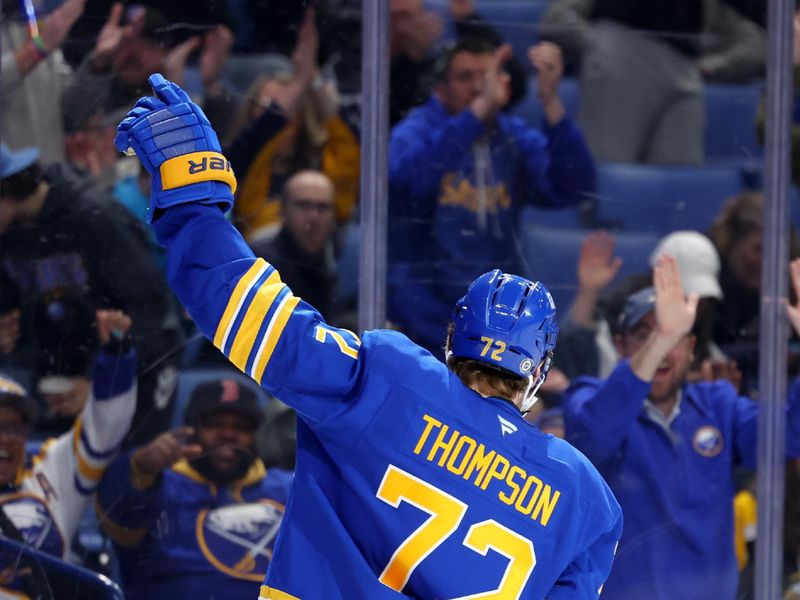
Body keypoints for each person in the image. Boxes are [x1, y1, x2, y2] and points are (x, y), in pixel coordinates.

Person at [114, 73, 621, 599]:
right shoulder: (588, 502)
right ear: (537, 374)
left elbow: (248, 314)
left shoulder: (391, 378)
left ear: (452, 341)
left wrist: (192, 204)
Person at [563, 255, 800, 600]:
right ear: (620, 345)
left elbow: (790, 436)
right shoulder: (588, 397)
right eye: (644, 333)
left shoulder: (718, 406)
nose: (660, 345)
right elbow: (595, 438)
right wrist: (663, 339)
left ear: (690, 349)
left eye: (672, 337)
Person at [388, 36, 595, 354]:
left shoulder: (511, 136)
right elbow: (402, 186)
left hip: (496, 322)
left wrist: (551, 101)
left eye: (486, 77)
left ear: (505, 85)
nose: (477, 87)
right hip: (423, 319)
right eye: (465, 77)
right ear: (440, 88)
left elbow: (572, 188)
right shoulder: (417, 130)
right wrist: (475, 115)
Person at [0, 142, 181, 446]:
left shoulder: (95, 217)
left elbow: (151, 315)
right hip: (62, 384)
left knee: (128, 479)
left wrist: (102, 382)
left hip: (138, 377)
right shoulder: (9, 234)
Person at [97, 376, 292, 600]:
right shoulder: (158, 487)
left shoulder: (289, 490)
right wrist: (139, 467)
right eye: (214, 424)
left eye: (241, 427)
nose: (228, 434)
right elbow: (117, 519)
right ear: (190, 428)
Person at [0, 309, 136, 597]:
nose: (3, 438)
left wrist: (117, 354)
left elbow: (104, 430)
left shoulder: (49, 469)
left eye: (13, 427)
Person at [539, 0, 766, 164]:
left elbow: (757, 40)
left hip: (685, 66)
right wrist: (599, 47)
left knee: (679, 183)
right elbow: (557, 18)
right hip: (622, 53)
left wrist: (710, 67)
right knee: (606, 170)